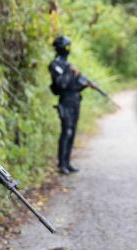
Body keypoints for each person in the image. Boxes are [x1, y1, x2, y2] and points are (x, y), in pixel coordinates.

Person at [49, 35, 90, 175]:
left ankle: (67, 162)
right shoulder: (55, 65)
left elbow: (76, 84)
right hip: (65, 101)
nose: (67, 49)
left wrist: (83, 82)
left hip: (75, 100)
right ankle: (62, 164)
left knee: (73, 131)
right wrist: (70, 71)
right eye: (66, 46)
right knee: (66, 132)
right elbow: (61, 84)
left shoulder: (67, 65)